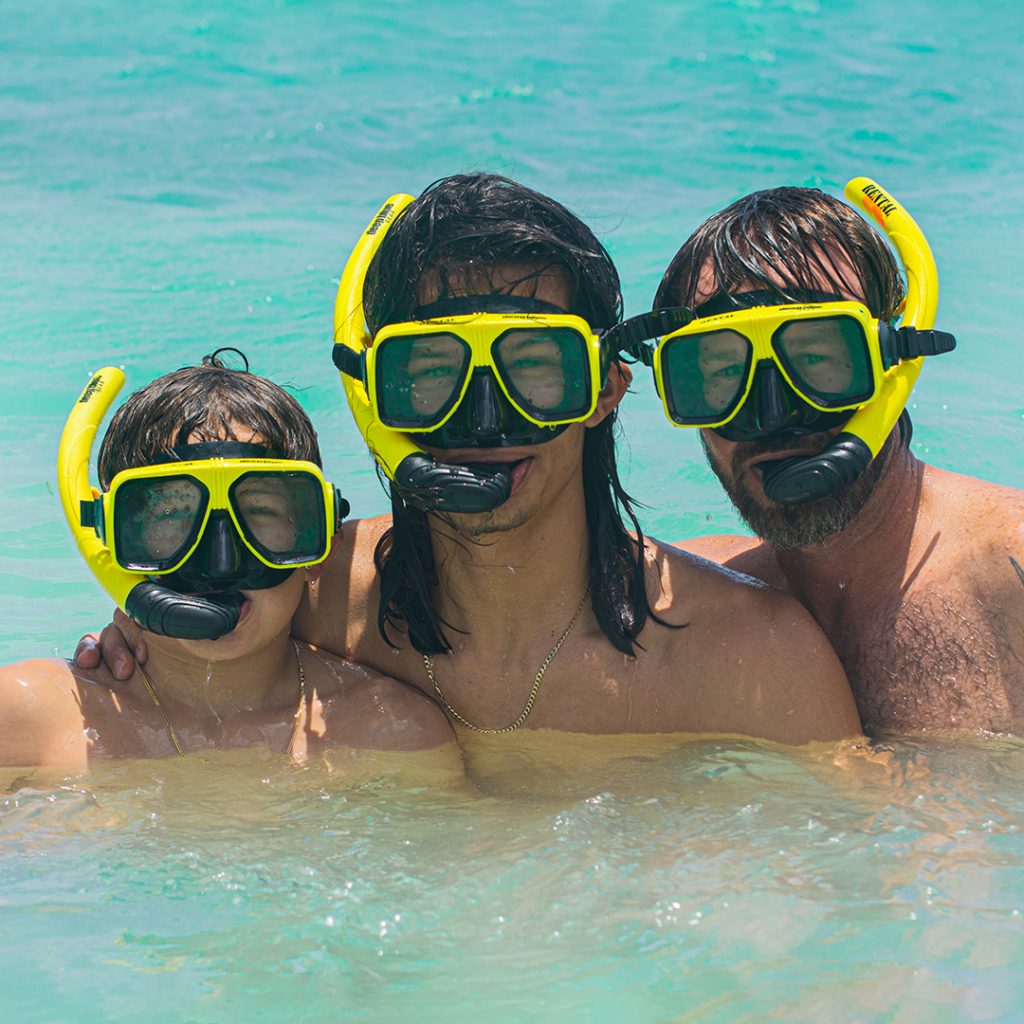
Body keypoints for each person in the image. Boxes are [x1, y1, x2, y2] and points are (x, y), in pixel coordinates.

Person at [78, 174, 861, 755]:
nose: (482, 419)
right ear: (377, 396)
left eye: (532, 364)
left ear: (607, 386)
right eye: (432, 369)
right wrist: (135, 639)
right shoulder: (306, 598)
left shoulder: (750, 663)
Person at [644, 178, 1024, 735]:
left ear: (896, 361)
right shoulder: (692, 602)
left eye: (817, 356)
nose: (773, 414)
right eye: (724, 371)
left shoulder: (1009, 576)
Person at [1, 354, 460, 770]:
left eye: (258, 513)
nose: (218, 560)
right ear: (114, 540)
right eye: (173, 515)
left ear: (321, 543)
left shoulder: (390, 731)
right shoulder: (30, 716)